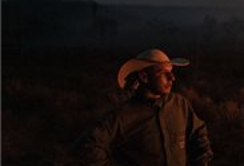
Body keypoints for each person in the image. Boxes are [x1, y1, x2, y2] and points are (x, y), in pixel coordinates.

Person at [73, 48, 213, 166]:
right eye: (163, 73)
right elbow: (87, 147)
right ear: (144, 77)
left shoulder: (179, 104)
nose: (172, 78)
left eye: (171, 72)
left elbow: (198, 133)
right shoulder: (122, 115)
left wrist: (200, 162)